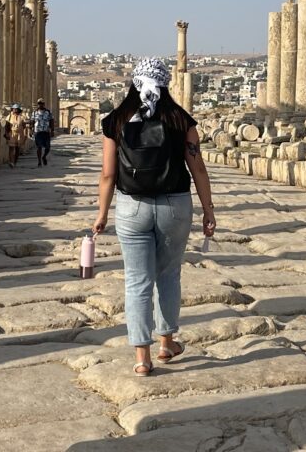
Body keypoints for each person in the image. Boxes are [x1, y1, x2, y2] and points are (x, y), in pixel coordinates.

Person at [92, 57, 216, 377]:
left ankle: (141, 356)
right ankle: (166, 343)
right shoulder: (179, 119)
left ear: (134, 82)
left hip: (132, 207)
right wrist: (208, 210)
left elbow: (108, 175)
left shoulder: (116, 120)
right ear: (165, 83)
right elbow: (197, 168)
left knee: (137, 280)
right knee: (168, 275)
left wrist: (102, 213)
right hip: (175, 205)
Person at [32, 98, 54, 167]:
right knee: (39, 147)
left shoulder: (48, 112)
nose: (40, 105)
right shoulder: (34, 112)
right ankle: (39, 161)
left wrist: (52, 130)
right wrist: (31, 130)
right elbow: (32, 121)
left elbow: (51, 121)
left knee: (48, 147)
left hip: (46, 131)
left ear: (44, 104)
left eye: (41, 104)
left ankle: (44, 156)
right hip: (38, 131)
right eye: (39, 104)